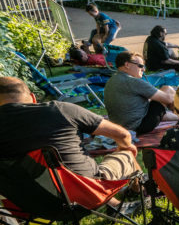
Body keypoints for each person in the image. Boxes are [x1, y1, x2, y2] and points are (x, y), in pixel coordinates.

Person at [0, 76, 138, 181]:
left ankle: (115, 204)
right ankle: (141, 190)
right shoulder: (60, 110)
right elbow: (122, 135)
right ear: (33, 98)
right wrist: (124, 147)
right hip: (86, 190)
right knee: (128, 152)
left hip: (27, 204)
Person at [103, 52, 176, 135]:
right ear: (127, 64)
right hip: (140, 126)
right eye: (140, 66)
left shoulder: (111, 81)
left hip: (121, 126)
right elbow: (169, 99)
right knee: (167, 89)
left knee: (158, 104)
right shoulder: (132, 81)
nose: (143, 69)